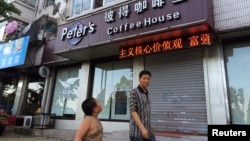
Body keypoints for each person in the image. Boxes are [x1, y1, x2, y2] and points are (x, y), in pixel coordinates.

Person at [129, 70, 156, 141]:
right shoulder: (134, 91)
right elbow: (133, 111)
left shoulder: (147, 92)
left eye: (148, 79)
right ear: (139, 79)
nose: (146, 80)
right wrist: (142, 129)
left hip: (149, 131)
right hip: (137, 133)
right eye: (144, 78)